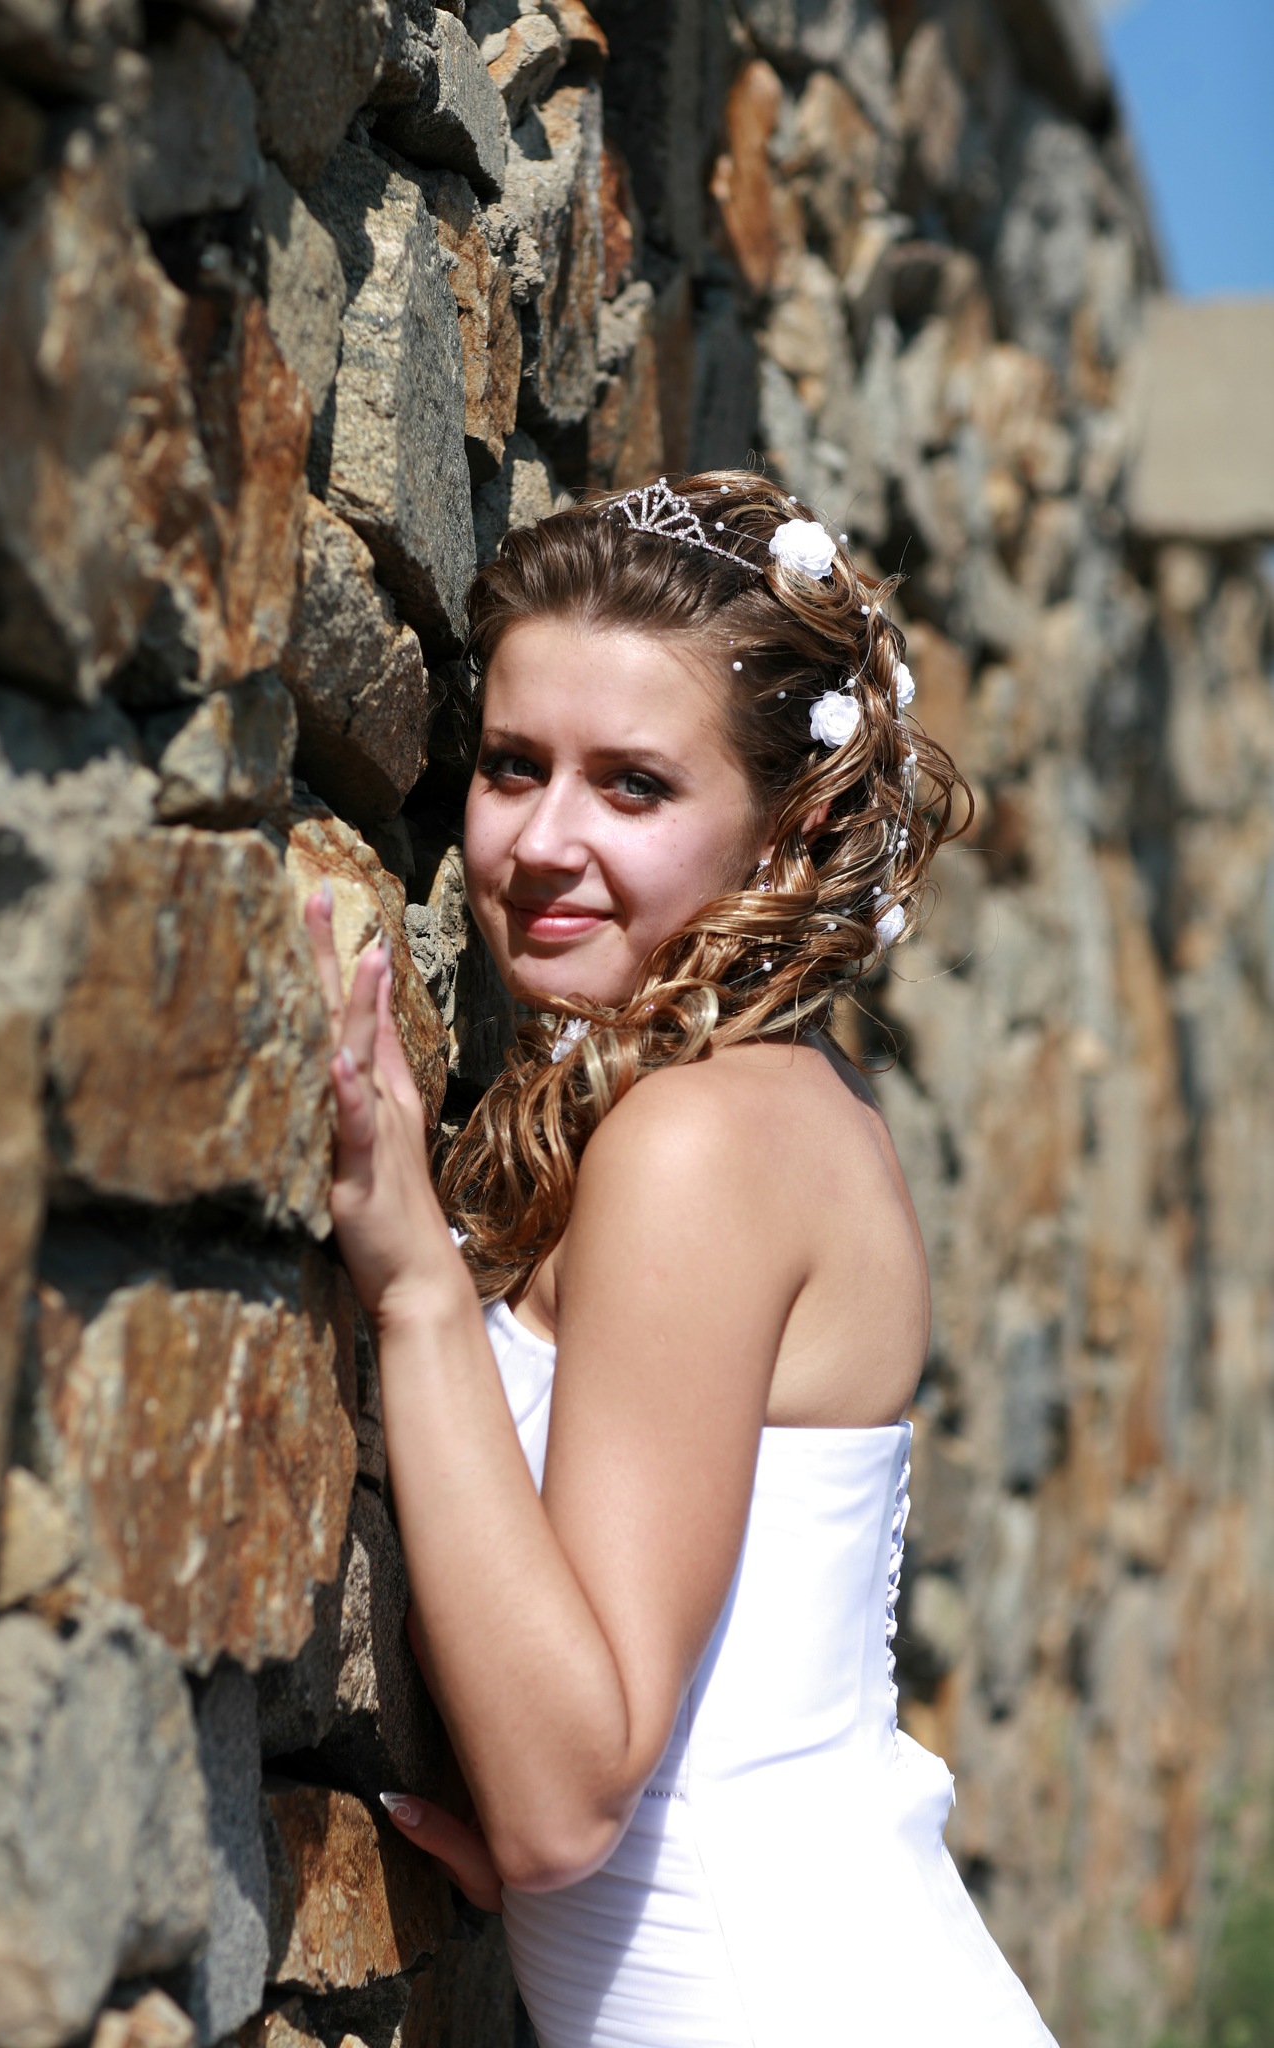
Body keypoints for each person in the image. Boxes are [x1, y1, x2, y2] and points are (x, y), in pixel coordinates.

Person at [303, 473, 1057, 2047]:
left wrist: (419, 1288)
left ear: (792, 824)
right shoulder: (752, 1108)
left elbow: (567, 1803)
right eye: (512, 766)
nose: (542, 843)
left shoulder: (697, 1141)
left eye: (633, 787)